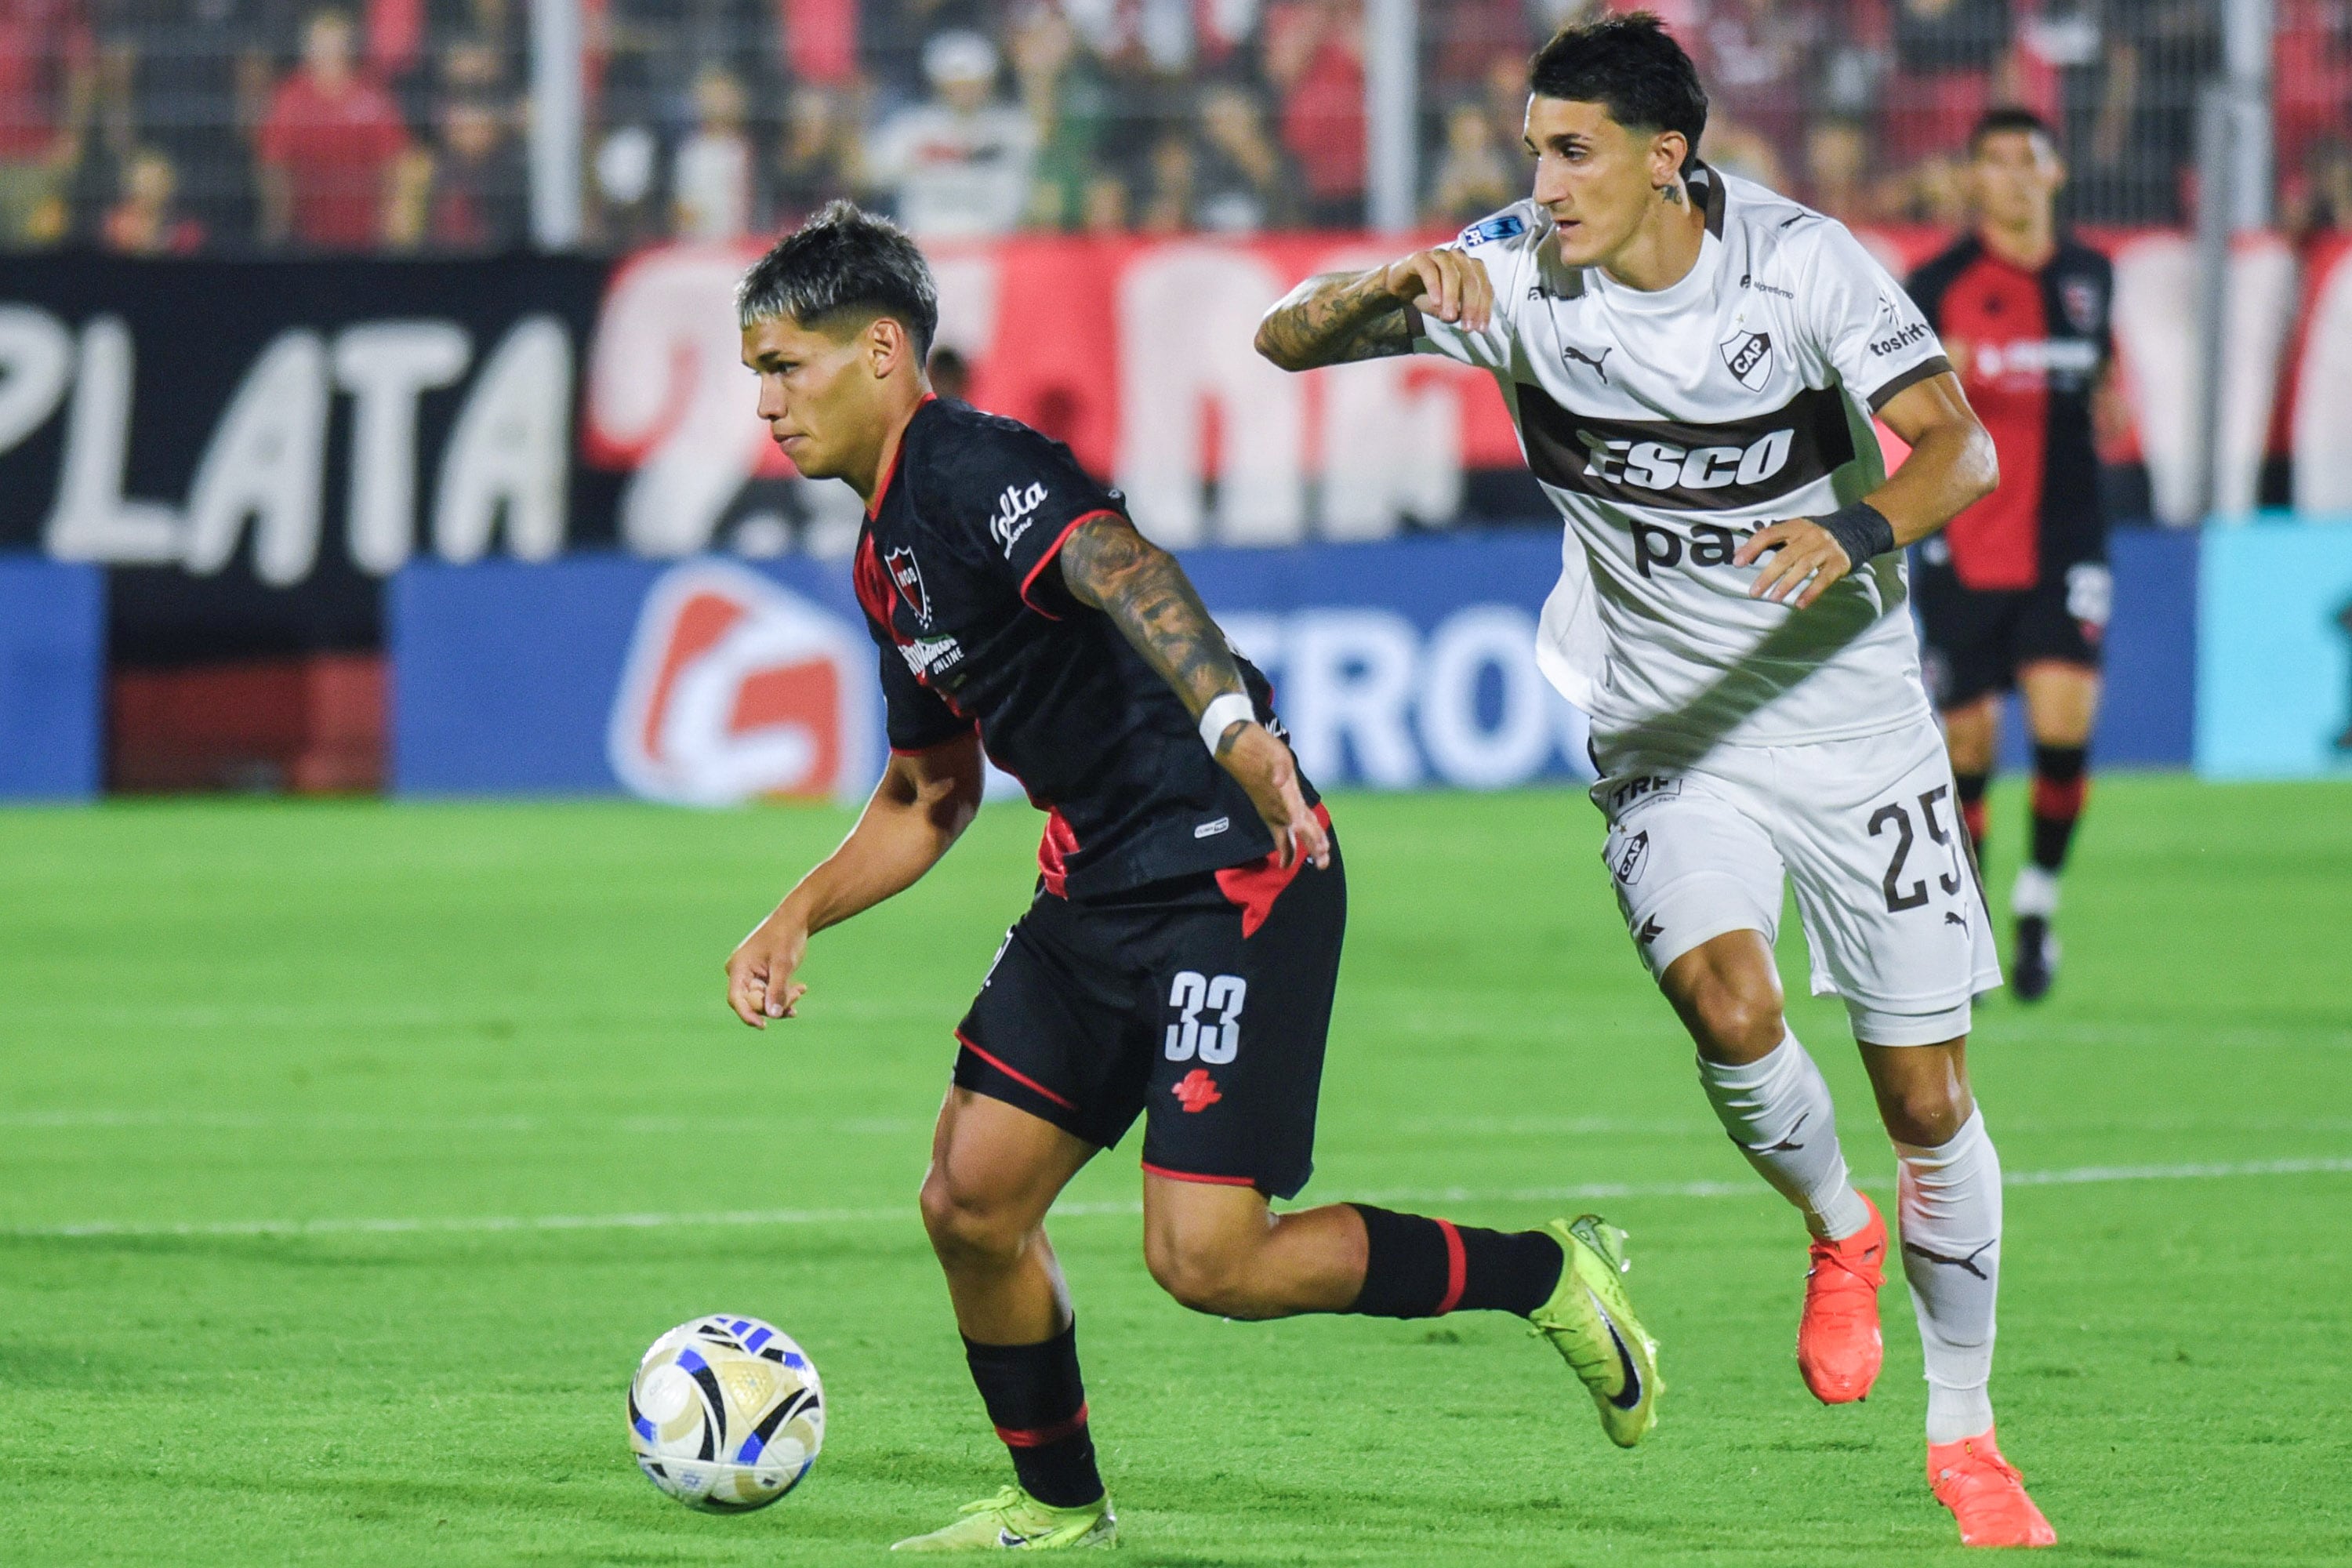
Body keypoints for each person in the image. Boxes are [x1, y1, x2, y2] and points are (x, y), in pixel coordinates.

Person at [722, 201, 1662, 1552]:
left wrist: (1236, 732)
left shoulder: (973, 463)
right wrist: (795, 912)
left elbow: (1122, 563)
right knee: (972, 1200)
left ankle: (1548, 1275)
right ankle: (1058, 1509)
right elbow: (933, 791)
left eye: (783, 365)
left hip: (1231, 871)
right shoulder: (886, 558)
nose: (764, 402)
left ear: (879, 352)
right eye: (756, 372)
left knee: (1207, 1260)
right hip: (1093, 891)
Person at [1254, 14, 2054, 1552]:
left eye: (1573, 150)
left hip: (1852, 716)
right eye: (1533, 147)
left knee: (1929, 1094)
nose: (1540, 180)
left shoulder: (1802, 265)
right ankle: (1837, 1227)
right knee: (1729, 1005)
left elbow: (1957, 453)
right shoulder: (1508, 272)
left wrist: (1852, 532)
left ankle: (1967, 1426)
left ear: (1665, 158)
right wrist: (1388, 292)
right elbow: (1284, 342)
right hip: (1664, 725)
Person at [1905, 108, 2118, 1003]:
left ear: (2056, 173)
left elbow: (2106, 391)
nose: (2016, 177)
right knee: (1969, 738)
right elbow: (1900, 409)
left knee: (2064, 719)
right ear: (1974, 181)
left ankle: (2036, 907)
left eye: (2030, 159)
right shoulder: (1937, 282)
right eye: (1997, 162)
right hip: (1965, 532)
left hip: (2066, 530)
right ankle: (1972, 918)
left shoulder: (2090, 275)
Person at [256, 7, 412, 250]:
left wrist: (389, 227)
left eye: (335, 44)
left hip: (366, 238)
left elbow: (394, 166)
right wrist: (277, 233)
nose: (328, 53)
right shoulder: (290, 98)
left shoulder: (373, 96)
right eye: (320, 45)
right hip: (306, 239)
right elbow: (274, 167)